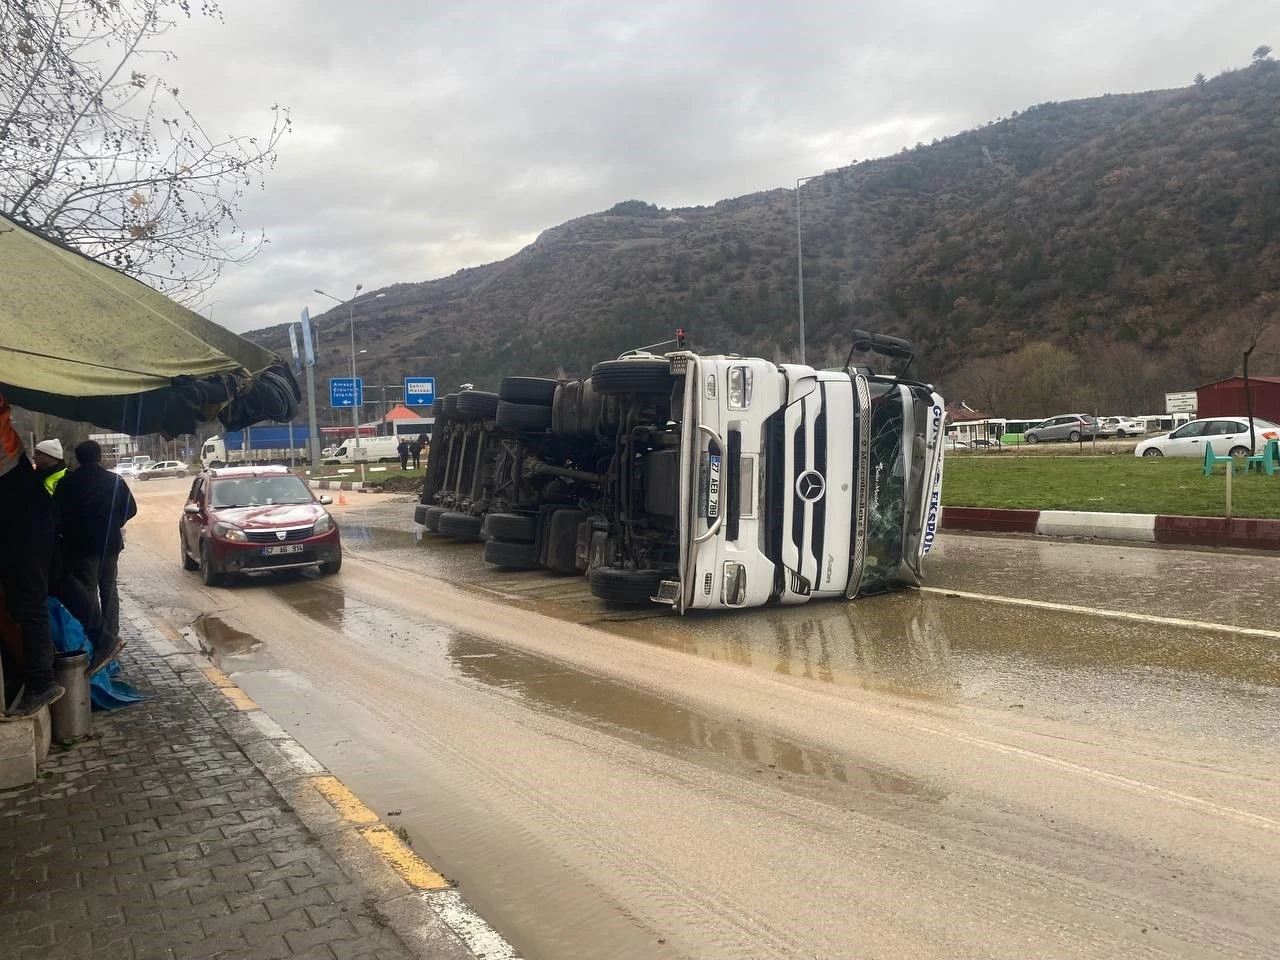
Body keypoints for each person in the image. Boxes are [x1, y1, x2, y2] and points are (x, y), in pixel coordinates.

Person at [0, 394, 64, 716]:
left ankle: (41, 680)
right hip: (31, 526)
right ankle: (42, 670)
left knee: (29, 604)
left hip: (25, 530)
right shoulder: (14, 461)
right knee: (24, 603)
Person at [55, 440, 137, 640]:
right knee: (109, 587)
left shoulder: (68, 483)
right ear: (99, 456)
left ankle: (95, 633)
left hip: (81, 545)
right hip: (110, 544)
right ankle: (112, 631)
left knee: (87, 589)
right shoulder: (114, 481)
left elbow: (56, 514)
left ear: (78, 458)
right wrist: (116, 522)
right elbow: (131, 509)